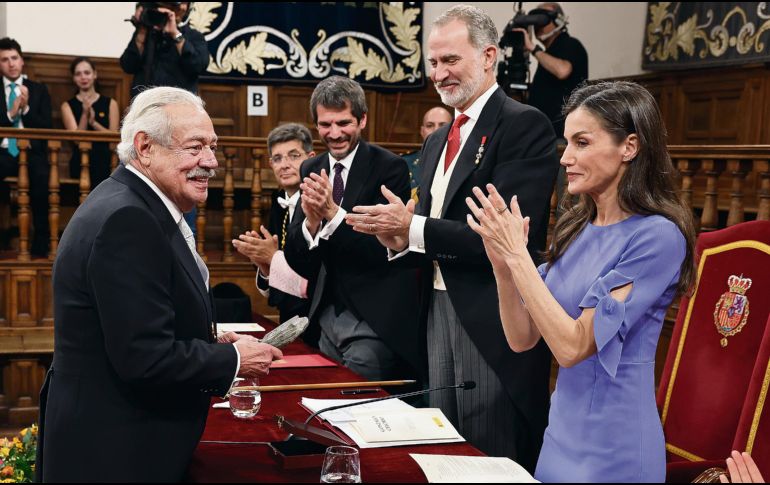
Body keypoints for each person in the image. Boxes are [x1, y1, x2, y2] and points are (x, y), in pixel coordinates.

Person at [345, 5, 559, 470]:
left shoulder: (524, 125)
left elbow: (500, 237)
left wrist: (413, 228)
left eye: (450, 61)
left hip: (492, 315)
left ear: (488, 56)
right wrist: (398, 236)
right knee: (444, 443)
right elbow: (426, 225)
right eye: (433, 62)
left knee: (488, 451)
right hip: (435, 306)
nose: (439, 73)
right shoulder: (438, 139)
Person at [36, 87, 283, 482]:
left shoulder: (128, 201)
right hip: (115, 451)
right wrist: (236, 361)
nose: (211, 162)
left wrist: (207, 340)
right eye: (195, 147)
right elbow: (144, 357)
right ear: (145, 147)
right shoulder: (128, 220)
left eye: (213, 147)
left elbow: (133, 324)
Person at [466, 81, 696, 482]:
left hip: (614, 446)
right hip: (559, 437)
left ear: (630, 146)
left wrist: (520, 258)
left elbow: (573, 348)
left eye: (582, 143)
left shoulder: (657, 237)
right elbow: (523, 339)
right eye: (567, 142)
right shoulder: (575, 227)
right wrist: (504, 267)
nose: (566, 158)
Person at [282, 75, 422, 382]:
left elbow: (382, 249)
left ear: (362, 120)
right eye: (325, 124)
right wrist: (310, 222)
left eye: (343, 123)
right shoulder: (310, 167)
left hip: (372, 317)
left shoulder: (389, 168)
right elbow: (298, 259)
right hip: (324, 315)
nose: (334, 133)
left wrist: (332, 214)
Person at [232, 123, 318, 345]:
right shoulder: (278, 204)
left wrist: (272, 258)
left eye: (293, 156)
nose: (285, 165)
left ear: (311, 158)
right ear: (270, 164)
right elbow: (275, 276)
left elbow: (313, 276)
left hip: (316, 317)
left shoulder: (318, 204)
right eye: (278, 158)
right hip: (288, 316)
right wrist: (263, 264)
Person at [0, 37, 52, 257]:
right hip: (3, 152)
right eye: (4, 60)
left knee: (41, 178)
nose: (11, 64)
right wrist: (11, 112)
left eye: (14, 58)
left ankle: (40, 245)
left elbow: (47, 127)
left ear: (22, 61)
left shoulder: (39, 89)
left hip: (31, 152)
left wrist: (27, 107)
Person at [519, 2, 588, 139]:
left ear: (558, 20)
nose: (538, 25)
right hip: (543, 132)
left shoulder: (570, 44)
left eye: (543, 19)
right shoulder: (547, 53)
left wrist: (533, 48)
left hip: (561, 134)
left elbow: (563, 71)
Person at [120, 2, 209, 99]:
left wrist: (175, 34)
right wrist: (142, 30)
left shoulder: (194, 36)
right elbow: (128, 65)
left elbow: (198, 66)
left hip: (179, 103)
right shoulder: (146, 34)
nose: (176, 11)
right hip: (146, 103)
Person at [61, 57, 120, 187]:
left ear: (95, 74)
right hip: (81, 160)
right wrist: (84, 114)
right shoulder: (67, 106)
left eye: (87, 73)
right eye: (78, 74)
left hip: (105, 160)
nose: (83, 77)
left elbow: (113, 141)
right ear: (74, 78)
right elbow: (77, 140)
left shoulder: (111, 103)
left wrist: (94, 123)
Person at [402, 106, 452, 200]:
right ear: (422, 131)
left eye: (443, 125)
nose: (436, 130)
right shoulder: (404, 163)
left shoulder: (461, 162)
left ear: (453, 130)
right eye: (430, 125)